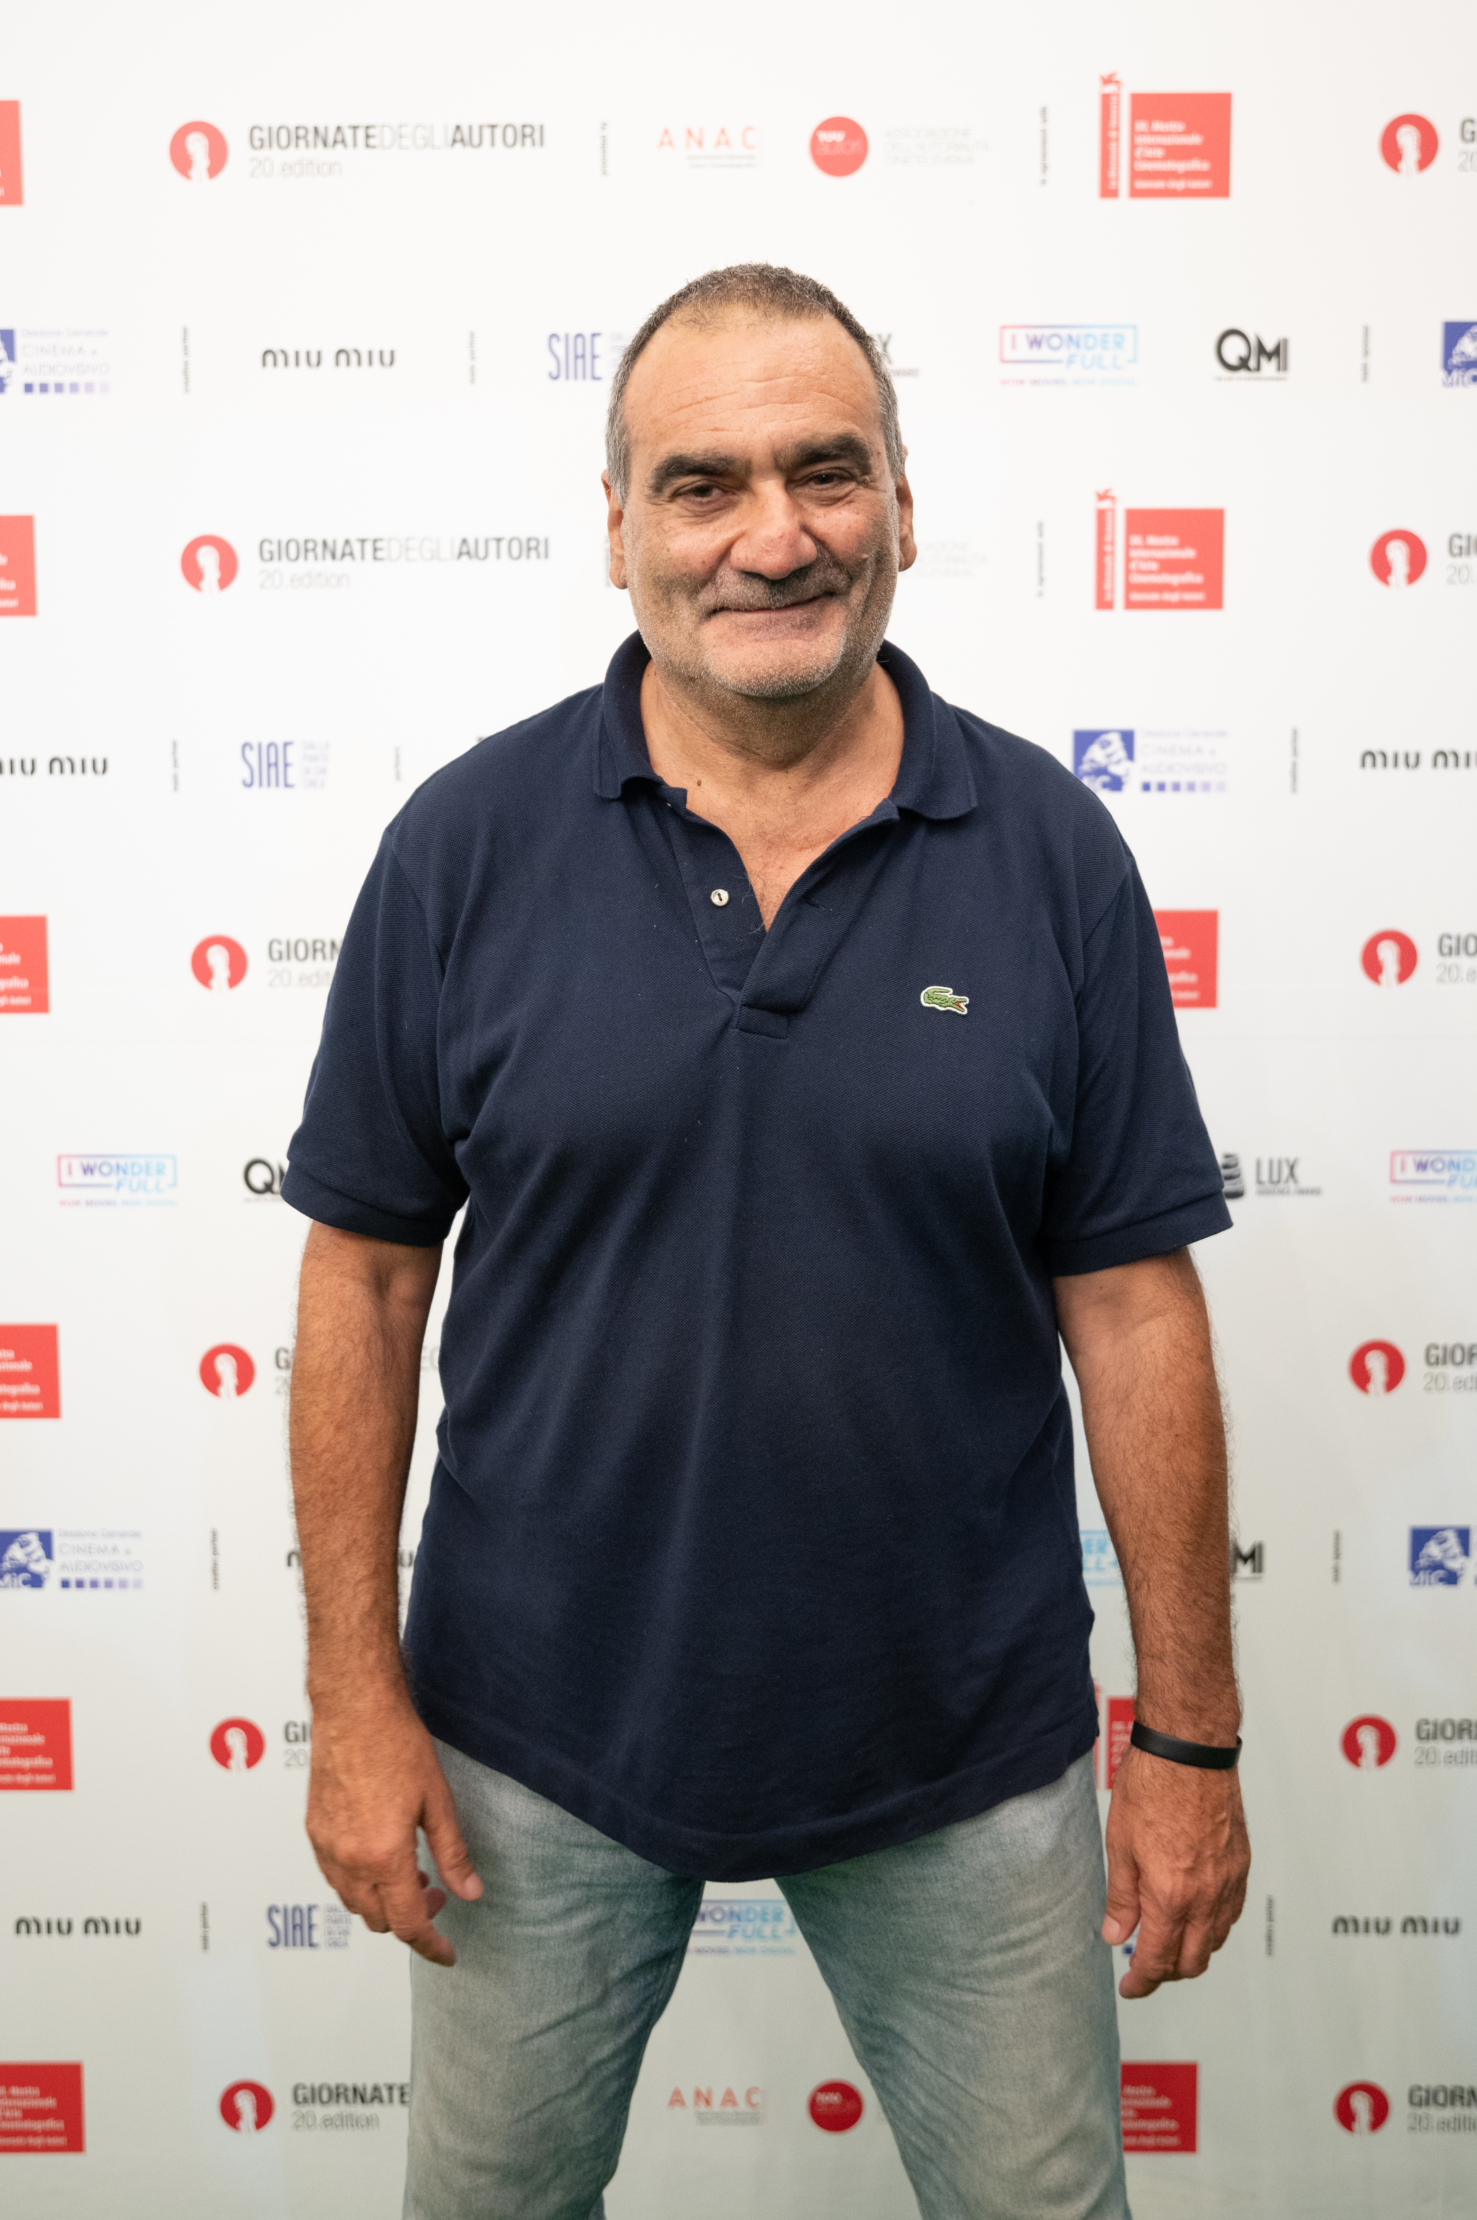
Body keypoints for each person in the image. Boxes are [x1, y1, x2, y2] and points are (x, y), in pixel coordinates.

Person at [285, 263, 1250, 2220]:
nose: (774, 536)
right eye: (703, 484)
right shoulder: (465, 848)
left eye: (825, 472)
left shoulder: (1050, 853)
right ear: (619, 528)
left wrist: (1191, 1742)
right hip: (531, 1738)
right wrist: (358, 1706)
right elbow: (364, 1283)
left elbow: (1134, 1307)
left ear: (900, 505)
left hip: (960, 1740)